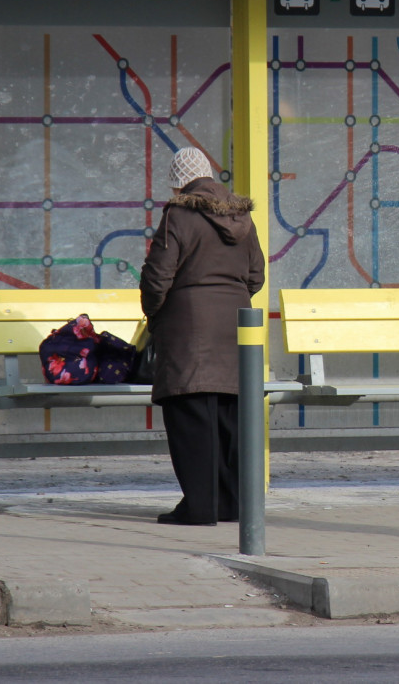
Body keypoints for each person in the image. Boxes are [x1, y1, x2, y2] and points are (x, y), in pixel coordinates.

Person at [140, 146, 265, 525]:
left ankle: (200, 507)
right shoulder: (243, 218)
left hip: (188, 332)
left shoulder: (178, 216)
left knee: (192, 417)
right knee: (229, 418)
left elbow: (157, 277)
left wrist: (155, 314)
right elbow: (256, 276)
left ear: (179, 184)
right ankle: (232, 505)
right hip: (235, 331)